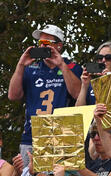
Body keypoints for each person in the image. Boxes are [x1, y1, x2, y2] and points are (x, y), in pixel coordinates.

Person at [7, 23, 82, 159]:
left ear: (58, 45)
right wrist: (20, 65)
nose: (42, 46)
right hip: (32, 136)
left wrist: (61, 64)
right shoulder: (31, 68)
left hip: (61, 135)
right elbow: (13, 95)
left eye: (46, 42)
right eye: (40, 42)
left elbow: (77, 94)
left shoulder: (72, 67)